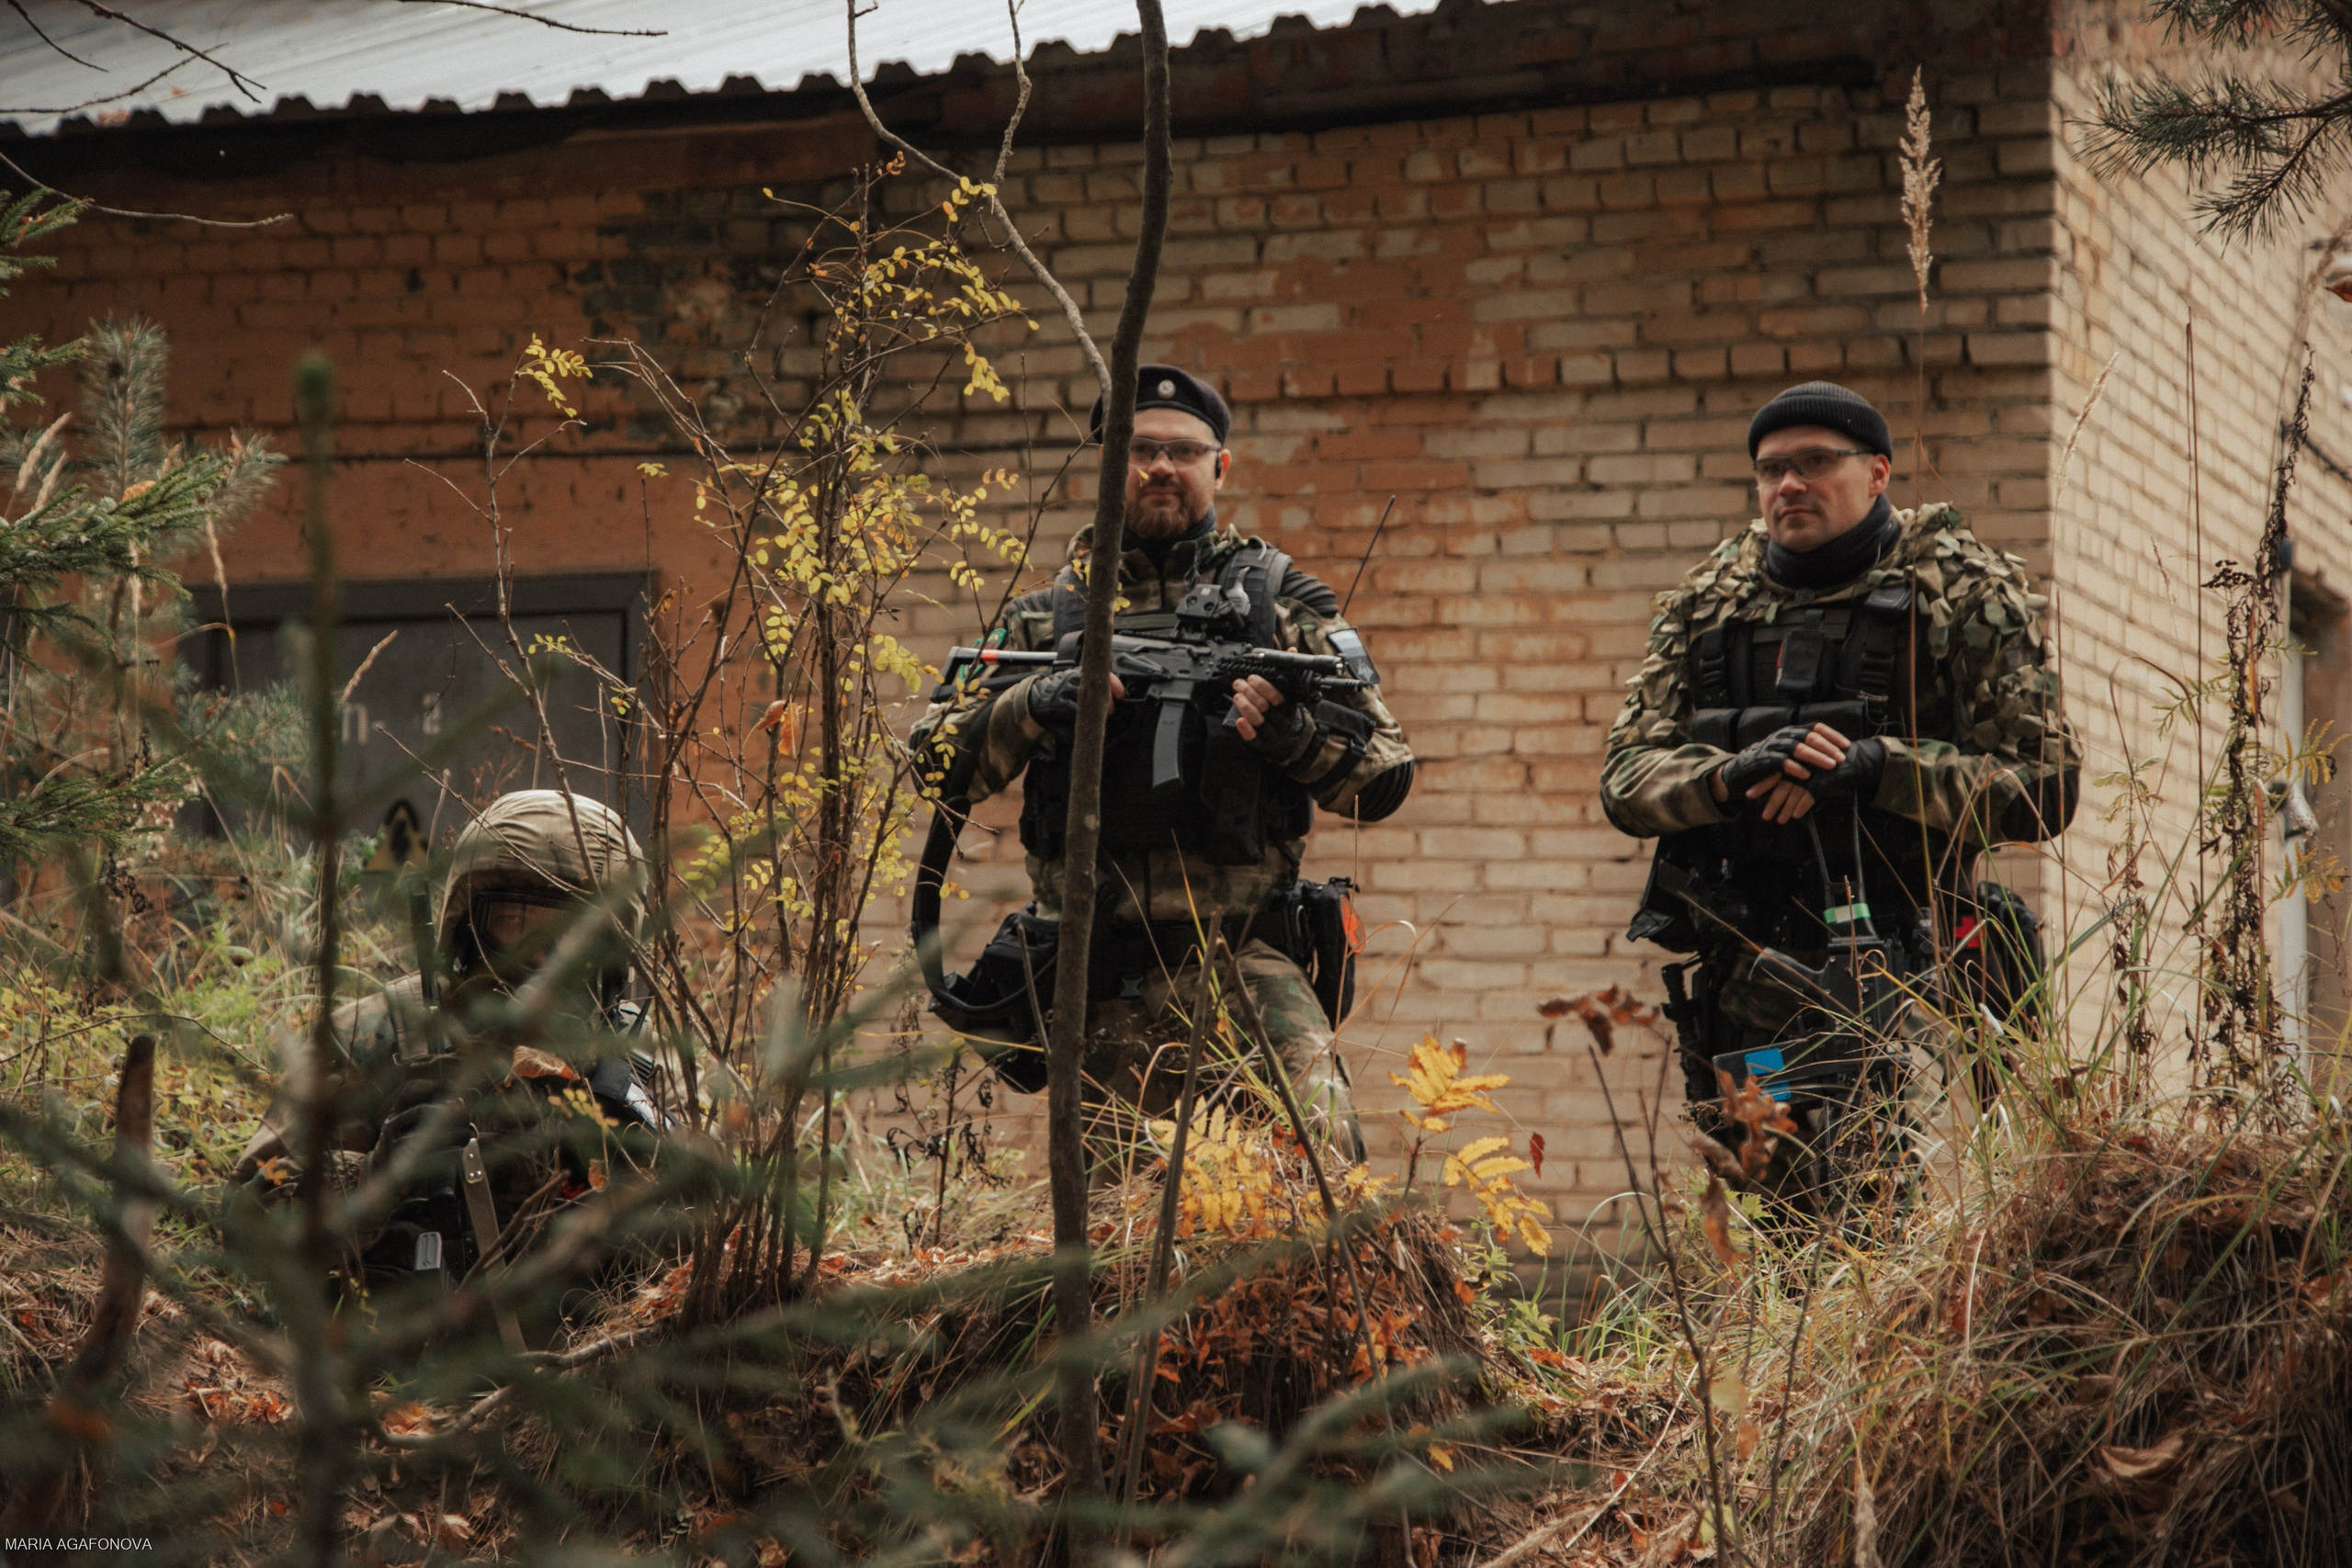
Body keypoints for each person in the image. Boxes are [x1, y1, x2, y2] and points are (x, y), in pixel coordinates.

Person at [912, 365, 1414, 1156]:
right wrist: (1036, 703)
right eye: (1139, 448)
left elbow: (1386, 774)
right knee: (1117, 1240)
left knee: (1324, 1166)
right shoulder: (1044, 618)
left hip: (1245, 958)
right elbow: (934, 765)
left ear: (1220, 467)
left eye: (1183, 451)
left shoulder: (1282, 604)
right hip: (1094, 970)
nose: (1159, 467)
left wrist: (1293, 736)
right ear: (1108, 464)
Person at [1601, 381, 2078, 1142]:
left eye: (1816, 462)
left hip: (1910, 964)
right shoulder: (1706, 603)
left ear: (1878, 472)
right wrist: (1729, 774)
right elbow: (1625, 778)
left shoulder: (1961, 589)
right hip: (1752, 972)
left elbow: (2045, 787)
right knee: (1773, 1210)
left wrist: (1877, 766)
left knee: (1897, 1209)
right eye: (1770, 470)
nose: (1788, 483)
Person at [232, 790, 664, 1294]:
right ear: (466, 929)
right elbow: (247, 1221)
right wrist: (373, 1177)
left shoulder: (644, 1066)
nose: (544, 956)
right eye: (514, 923)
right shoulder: (374, 1037)